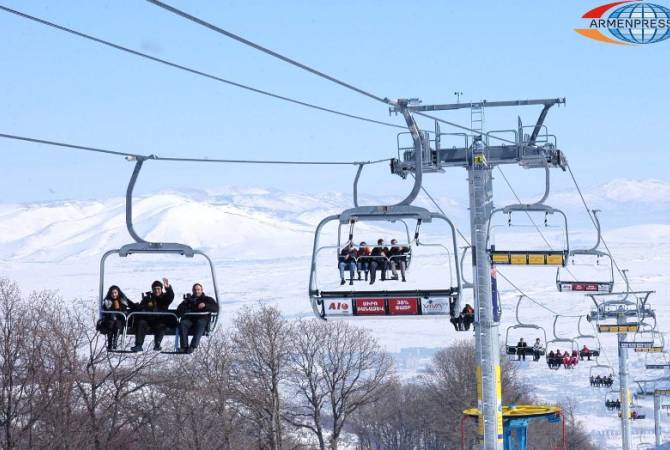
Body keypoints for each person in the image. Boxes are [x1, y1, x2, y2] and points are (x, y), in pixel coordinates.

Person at [131, 278, 175, 352]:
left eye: (158, 289)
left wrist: (168, 288)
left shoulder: (164, 298)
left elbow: (171, 296)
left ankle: (157, 344)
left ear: (161, 289)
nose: (156, 291)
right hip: (149, 320)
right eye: (154, 289)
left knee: (161, 325)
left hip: (160, 320)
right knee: (141, 322)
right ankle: (138, 345)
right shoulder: (148, 298)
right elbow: (141, 307)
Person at [177, 283, 219, 353]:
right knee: (183, 323)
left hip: (202, 320)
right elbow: (179, 310)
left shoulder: (207, 299)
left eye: (198, 290)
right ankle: (184, 347)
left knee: (200, 323)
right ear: (192, 291)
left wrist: (205, 305)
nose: (197, 291)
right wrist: (186, 304)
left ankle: (193, 346)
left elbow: (215, 308)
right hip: (190, 320)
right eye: (195, 290)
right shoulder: (188, 300)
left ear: (202, 290)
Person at [100, 285, 136, 350]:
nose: (114, 295)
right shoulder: (107, 301)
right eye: (112, 293)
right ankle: (110, 344)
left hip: (121, 318)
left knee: (117, 324)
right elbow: (105, 311)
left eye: (115, 293)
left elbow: (133, 306)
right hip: (110, 319)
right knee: (111, 323)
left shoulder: (123, 299)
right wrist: (112, 315)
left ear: (118, 292)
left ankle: (115, 342)